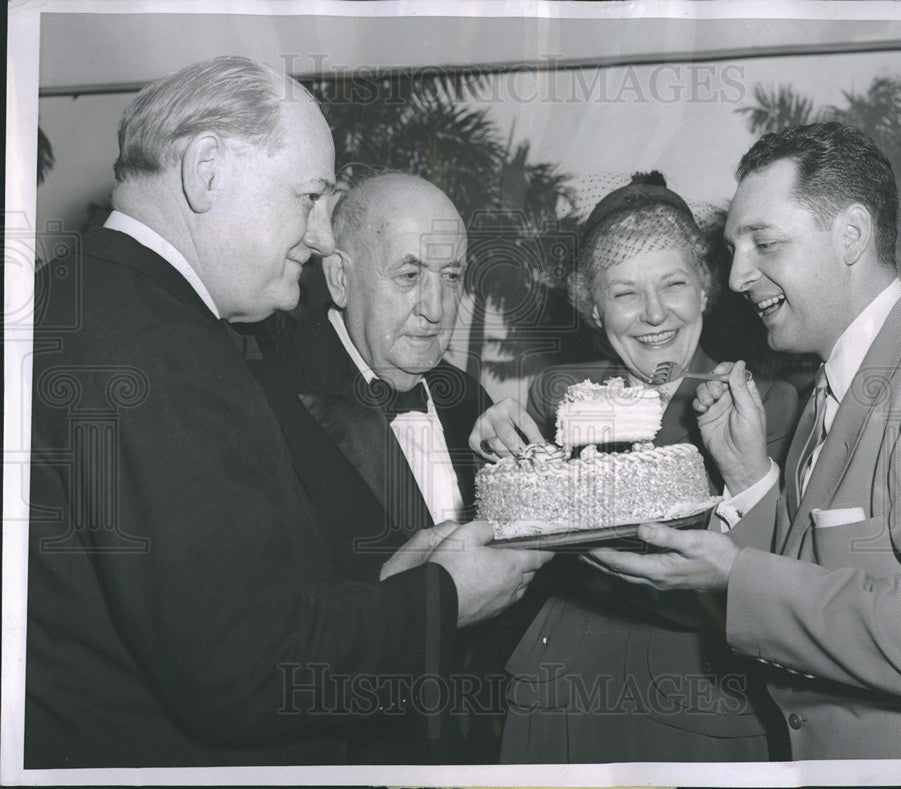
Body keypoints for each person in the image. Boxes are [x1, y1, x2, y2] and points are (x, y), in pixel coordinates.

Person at [26, 56, 549, 768]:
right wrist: (445, 597)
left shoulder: (80, 299)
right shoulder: (161, 345)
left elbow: (218, 611)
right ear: (206, 170)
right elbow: (239, 670)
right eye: (308, 197)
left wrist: (392, 587)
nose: (320, 234)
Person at [586, 123, 901, 759]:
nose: (737, 277)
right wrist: (749, 477)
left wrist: (736, 574)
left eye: (763, 244)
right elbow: (826, 576)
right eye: (735, 248)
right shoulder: (833, 385)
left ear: (850, 236)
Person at [469, 175, 799, 763]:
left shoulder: (761, 402)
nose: (654, 314)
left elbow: (768, 578)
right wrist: (502, 453)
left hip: (693, 696)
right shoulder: (557, 392)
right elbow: (522, 537)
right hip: (558, 685)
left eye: (673, 285)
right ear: (594, 308)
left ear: (705, 291)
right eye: (625, 294)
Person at [251, 173, 506, 762]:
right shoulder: (264, 400)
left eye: (451, 277)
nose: (438, 308)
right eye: (410, 275)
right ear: (339, 278)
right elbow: (255, 643)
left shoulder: (468, 398)